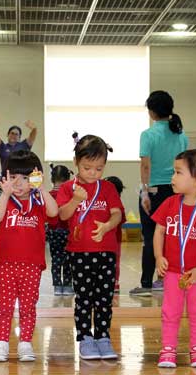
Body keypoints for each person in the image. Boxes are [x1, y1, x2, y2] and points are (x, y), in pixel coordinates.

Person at [153, 150, 196, 368]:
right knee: (170, 312)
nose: (172, 177)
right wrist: (158, 256)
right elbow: (159, 232)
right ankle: (168, 350)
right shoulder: (169, 204)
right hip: (173, 271)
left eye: (178, 172)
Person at [57, 135, 123, 360]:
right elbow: (63, 215)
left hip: (106, 252)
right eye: (87, 168)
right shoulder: (68, 187)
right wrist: (75, 200)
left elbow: (117, 214)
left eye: (99, 168)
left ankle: (103, 337)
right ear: (76, 162)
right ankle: (85, 338)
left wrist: (107, 226)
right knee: (84, 298)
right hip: (79, 253)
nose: (93, 173)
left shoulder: (108, 188)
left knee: (104, 298)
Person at [0, 150, 58, 362]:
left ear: (35, 178)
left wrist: (42, 188)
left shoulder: (38, 202)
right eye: (13, 177)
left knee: (28, 307)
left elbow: (54, 213)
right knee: (4, 307)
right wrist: (6, 193)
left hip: (32, 265)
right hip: (7, 264)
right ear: (5, 178)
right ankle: (1, 343)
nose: (18, 183)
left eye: (26, 178)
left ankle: (25, 343)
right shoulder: (7, 201)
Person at [131, 91, 188, 296]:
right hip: (176, 191)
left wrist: (144, 192)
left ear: (152, 112)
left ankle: (146, 284)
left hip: (154, 191)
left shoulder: (148, 135)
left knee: (150, 236)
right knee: (172, 236)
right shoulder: (182, 136)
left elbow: (146, 166)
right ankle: (165, 280)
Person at [0, 114, 37, 202]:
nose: (14, 135)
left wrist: (34, 129)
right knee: (0, 204)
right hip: (6, 181)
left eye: (16, 134)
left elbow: (32, 136)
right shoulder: (2, 147)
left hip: (21, 181)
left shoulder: (24, 145)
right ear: (8, 135)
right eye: (12, 133)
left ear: (19, 137)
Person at [46, 164, 73, 296]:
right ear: (68, 179)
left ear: (52, 179)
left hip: (53, 231)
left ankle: (57, 286)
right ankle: (67, 286)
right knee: (68, 259)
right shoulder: (70, 195)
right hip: (68, 231)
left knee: (56, 259)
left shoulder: (49, 195)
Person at [104, 176, 126, 293]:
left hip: (113, 239)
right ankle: (114, 282)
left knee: (112, 262)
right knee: (114, 262)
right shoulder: (116, 205)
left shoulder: (114, 205)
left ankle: (114, 282)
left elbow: (121, 219)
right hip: (113, 239)